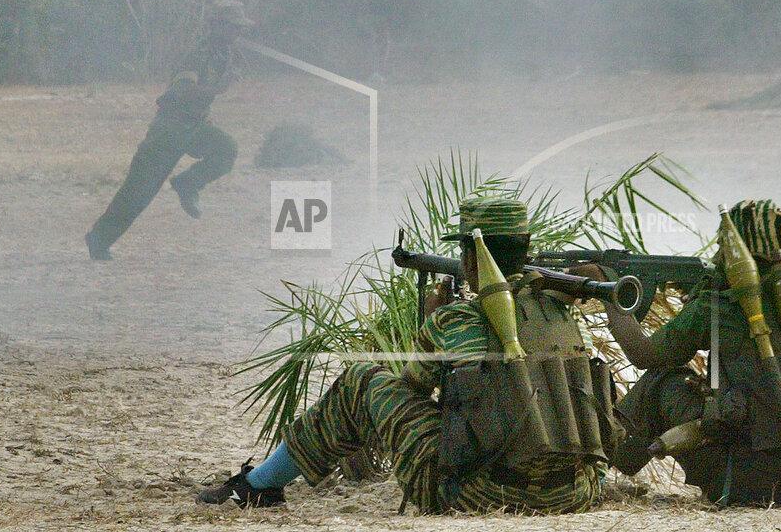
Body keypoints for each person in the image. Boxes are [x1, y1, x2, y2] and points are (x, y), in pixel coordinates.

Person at [197, 197, 617, 513]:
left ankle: (258, 485)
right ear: (524, 248)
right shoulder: (560, 307)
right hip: (575, 492)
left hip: (482, 496)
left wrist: (434, 321)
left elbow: (412, 386)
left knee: (362, 382)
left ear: (472, 257)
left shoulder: (458, 319)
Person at [579, 199, 781, 513]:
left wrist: (609, 292)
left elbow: (644, 354)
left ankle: (607, 469)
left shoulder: (717, 309)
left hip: (741, 484)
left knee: (661, 379)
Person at [85, 0, 252, 260]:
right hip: (169, 130)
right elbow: (182, 91)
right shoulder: (197, 54)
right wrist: (217, 88)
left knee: (226, 149)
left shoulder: (225, 53)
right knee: (139, 192)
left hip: (195, 126)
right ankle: (99, 239)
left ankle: (188, 183)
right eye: (232, 27)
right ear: (217, 27)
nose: (237, 33)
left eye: (239, 28)